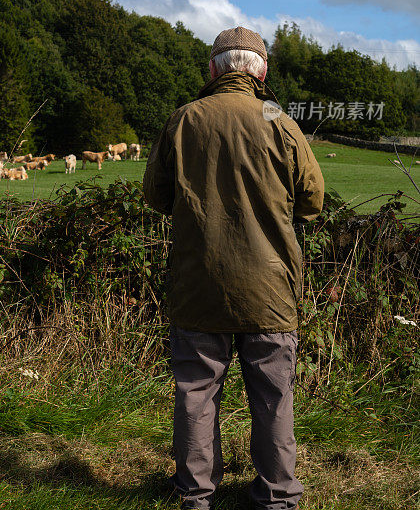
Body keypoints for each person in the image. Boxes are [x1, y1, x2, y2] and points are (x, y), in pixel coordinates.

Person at [143, 26, 324, 510]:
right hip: (270, 286)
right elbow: (313, 199)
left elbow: (156, 196)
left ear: (213, 69)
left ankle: (195, 494)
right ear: (261, 71)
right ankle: (278, 495)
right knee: (272, 396)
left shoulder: (185, 119)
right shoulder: (277, 118)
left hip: (198, 282)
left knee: (196, 393)